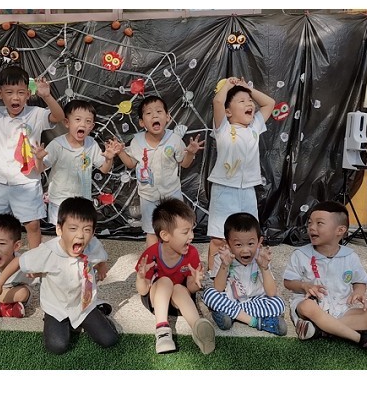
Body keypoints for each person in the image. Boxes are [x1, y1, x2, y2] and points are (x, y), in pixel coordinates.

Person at [0, 66, 65, 250]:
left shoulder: (36, 113)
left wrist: (47, 96)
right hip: (0, 182)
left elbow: (58, 116)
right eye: (9, 92)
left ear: (28, 94)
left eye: (20, 92)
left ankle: (35, 260)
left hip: (27, 181)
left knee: (32, 225)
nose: (15, 97)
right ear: (0, 94)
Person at [0, 196, 118, 354]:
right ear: (59, 229)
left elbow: (100, 256)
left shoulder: (92, 245)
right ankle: (58, 322)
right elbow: (18, 261)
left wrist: (102, 267)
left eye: (87, 229)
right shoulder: (48, 251)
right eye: (73, 228)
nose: (80, 235)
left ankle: (98, 312)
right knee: (57, 346)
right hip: (56, 307)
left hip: (84, 305)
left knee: (110, 339)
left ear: (93, 232)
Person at [283, 201, 367, 351]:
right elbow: (288, 282)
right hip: (312, 308)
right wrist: (304, 286)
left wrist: (358, 292)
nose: (311, 227)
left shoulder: (350, 256)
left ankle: (319, 331)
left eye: (319, 223)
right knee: (307, 307)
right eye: (310, 223)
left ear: (340, 230)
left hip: (340, 309)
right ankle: (361, 339)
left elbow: (359, 281)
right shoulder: (300, 254)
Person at [206, 77, 275, 273]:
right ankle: (213, 275)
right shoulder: (223, 129)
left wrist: (247, 88)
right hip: (224, 190)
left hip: (247, 192)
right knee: (219, 238)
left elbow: (269, 103)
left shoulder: (255, 127)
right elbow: (217, 101)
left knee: (248, 235)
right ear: (228, 112)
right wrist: (229, 85)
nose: (249, 104)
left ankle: (244, 273)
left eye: (250, 101)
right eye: (241, 101)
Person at [117, 95, 204, 248]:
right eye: (149, 113)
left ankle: (177, 257)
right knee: (152, 232)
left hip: (172, 194)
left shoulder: (174, 139)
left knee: (176, 229)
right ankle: (153, 260)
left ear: (168, 117)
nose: (155, 116)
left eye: (159, 111)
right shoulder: (137, 142)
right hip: (148, 196)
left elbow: (184, 164)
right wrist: (120, 152)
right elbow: (130, 164)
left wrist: (190, 153)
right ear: (142, 122)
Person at [135, 197, 215, 355]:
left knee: (178, 288)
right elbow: (143, 291)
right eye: (185, 232)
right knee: (165, 281)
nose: (191, 236)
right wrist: (141, 278)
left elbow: (190, 289)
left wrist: (196, 282)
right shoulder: (151, 254)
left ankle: (199, 329)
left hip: (180, 300)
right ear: (165, 235)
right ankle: (162, 331)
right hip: (156, 299)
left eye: (192, 230)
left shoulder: (192, 253)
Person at [33, 99, 122, 225]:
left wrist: (109, 158)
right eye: (78, 119)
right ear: (67, 122)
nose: (83, 124)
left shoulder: (91, 144)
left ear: (92, 127)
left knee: (80, 232)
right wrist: (38, 158)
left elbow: (104, 169)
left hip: (82, 202)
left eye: (88, 121)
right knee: (61, 233)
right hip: (59, 202)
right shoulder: (57, 144)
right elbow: (40, 169)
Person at [202, 212, 287, 335]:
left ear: (259, 241)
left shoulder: (261, 257)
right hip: (231, 299)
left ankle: (231, 315)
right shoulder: (222, 257)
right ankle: (256, 321)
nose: (245, 250)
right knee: (209, 294)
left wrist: (264, 268)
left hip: (255, 300)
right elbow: (219, 288)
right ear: (228, 244)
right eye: (238, 245)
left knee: (278, 303)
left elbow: (271, 292)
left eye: (251, 244)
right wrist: (224, 265)